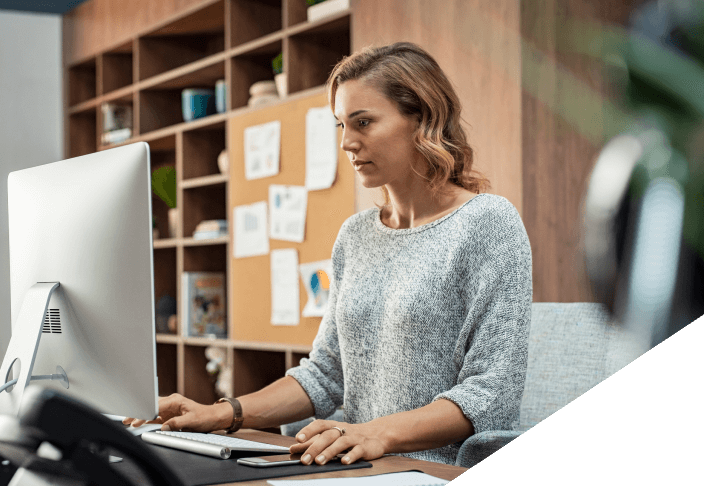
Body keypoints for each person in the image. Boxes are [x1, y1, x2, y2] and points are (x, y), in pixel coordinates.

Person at [125, 42, 533, 467]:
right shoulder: (355, 235)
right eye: (341, 125)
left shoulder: (488, 223)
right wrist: (223, 413)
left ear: (422, 119)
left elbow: (492, 393)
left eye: (363, 122)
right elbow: (325, 374)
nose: (346, 143)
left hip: (429, 471)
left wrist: (375, 433)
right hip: (354, 468)